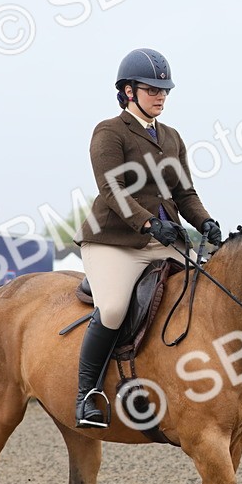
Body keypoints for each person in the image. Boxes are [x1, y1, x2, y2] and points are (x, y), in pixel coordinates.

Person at [74, 47, 222, 428]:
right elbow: (113, 189)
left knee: (207, 293)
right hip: (115, 240)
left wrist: (205, 222)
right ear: (127, 91)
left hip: (166, 237)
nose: (160, 96)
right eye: (151, 89)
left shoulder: (171, 137)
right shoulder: (109, 131)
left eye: (164, 90)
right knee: (112, 310)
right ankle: (87, 394)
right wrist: (147, 224)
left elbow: (185, 193)